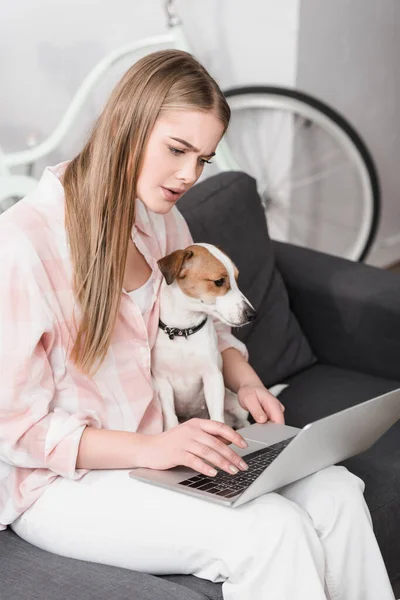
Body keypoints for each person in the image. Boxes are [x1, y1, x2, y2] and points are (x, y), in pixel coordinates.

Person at [0, 49, 394, 600]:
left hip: (170, 451)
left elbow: (215, 327)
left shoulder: (159, 221)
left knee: (336, 491)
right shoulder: (23, 244)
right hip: (67, 484)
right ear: (126, 127)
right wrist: (154, 450)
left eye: (203, 160)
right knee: (270, 531)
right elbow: (16, 430)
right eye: (177, 149)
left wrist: (245, 379)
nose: (188, 175)